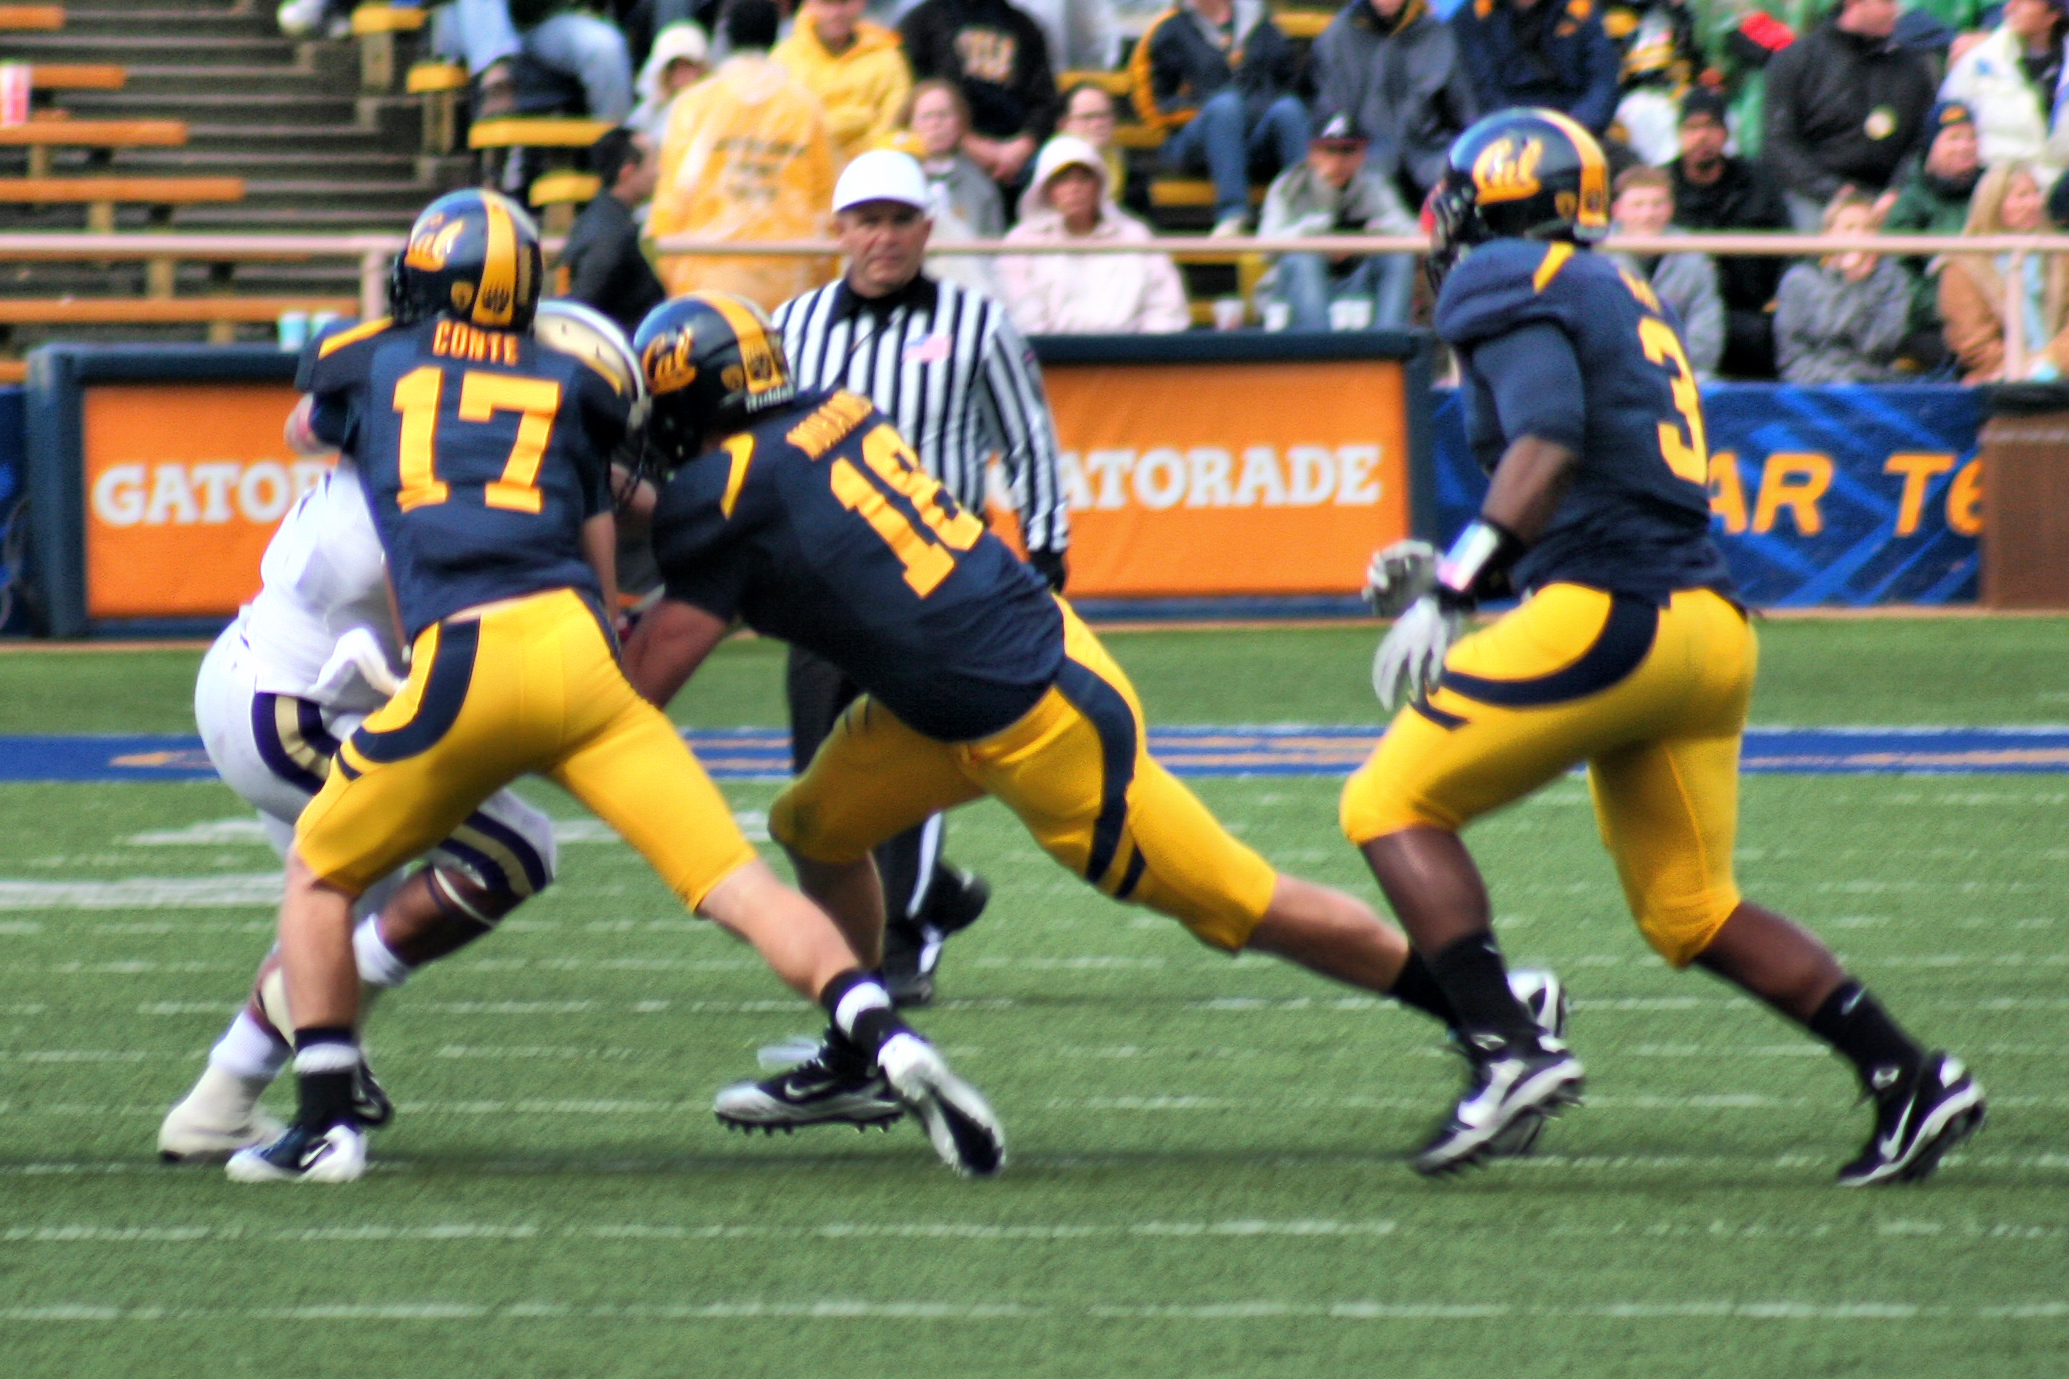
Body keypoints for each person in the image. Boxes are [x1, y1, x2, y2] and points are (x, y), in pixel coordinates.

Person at [618, 291, 1569, 1139]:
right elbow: (755, 523)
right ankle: (861, 1046)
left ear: (686, 407)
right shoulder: (834, 409)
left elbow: (643, 679)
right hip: (968, 689)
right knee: (814, 825)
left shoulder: (724, 495)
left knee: (1239, 902)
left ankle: (1490, 1011)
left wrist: (585, 517)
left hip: (1040, 724)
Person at [223, 190, 1001, 1184]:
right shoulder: (577, 376)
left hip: (466, 656)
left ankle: (326, 1121)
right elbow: (601, 560)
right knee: (737, 884)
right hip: (582, 659)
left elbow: (306, 425)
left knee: (321, 875)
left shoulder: (366, 353)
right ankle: (882, 1036)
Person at [1350, 108, 1983, 1182]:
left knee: (1384, 802)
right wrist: (1467, 566)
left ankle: (1505, 1048)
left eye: (1457, 192)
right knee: (1688, 910)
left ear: (1495, 197)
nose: (1444, 216)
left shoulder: (1500, 272)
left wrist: (1459, 579)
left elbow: (1546, 434)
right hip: (1700, 631)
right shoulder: (1614, 287)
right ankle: (1906, 1076)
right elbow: (1600, 480)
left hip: (1611, 615)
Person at [157, 309, 630, 1160]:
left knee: (343, 900)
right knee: (514, 850)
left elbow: (309, 419)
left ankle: (217, 1106)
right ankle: (325, 1032)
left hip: (266, 677)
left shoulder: (416, 421)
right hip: (297, 710)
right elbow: (454, 653)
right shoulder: (454, 507)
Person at [771, 149, 1070, 1002]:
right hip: (823, 587)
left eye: (900, 220)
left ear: (927, 229)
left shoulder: (977, 324)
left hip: (934, 585)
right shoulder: (792, 326)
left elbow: (1029, 442)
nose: (883, 237)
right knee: (819, 781)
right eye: (866, 220)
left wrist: (1045, 554)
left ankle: (902, 937)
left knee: (906, 758)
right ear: (838, 229)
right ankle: (928, 893)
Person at [648, 0, 837, 310]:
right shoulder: (806, 107)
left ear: (726, 36)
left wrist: (668, 270)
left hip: (705, 280)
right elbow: (825, 205)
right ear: (776, 35)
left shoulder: (692, 104)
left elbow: (671, 200)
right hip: (789, 280)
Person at [1130, 0, 1307, 237]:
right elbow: (1152, 103)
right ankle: (1232, 214)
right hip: (1192, 140)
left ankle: (1306, 212)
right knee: (1226, 107)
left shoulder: (1259, 23)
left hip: (1253, 135)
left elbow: (1288, 82)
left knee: (1289, 109)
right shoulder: (1168, 28)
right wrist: (1207, 111)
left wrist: (1257, 106)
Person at [1761, 0, 1937, 231]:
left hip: (1888, 197)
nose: (1894, 11)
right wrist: (1834, 191)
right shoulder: (1796, 60)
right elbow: (1779, 143)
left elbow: (1921, 141)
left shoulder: (1911, 67)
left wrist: (1897, 189)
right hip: (1814, 195)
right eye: (1885, 3)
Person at [998, 135, 1190, 334]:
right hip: (1051, 358)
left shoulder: (1135, 235)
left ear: (1098, 185)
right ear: (1046, 188)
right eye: (1063, 179)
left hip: (1131, 357)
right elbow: (1021, 315)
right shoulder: (1020, 243)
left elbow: (1166, 307)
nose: (1074, 188)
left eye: (1084, 178)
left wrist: (1144, 353)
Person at [1255, 110, 1419, 331]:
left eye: (1347, 151)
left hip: (1358, 283)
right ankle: (1320, 355)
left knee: (1399, 258)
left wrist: (1368, 235)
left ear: (1361, 154)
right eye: (1329, 151)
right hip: (1294, 293)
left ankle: (1388, 349)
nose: (1338, 161)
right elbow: (1266, 247)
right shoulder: (1288, 187)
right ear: (1312, 154)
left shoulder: (1374, 185)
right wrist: (1316, 235)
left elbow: (1412, 233)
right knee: (1303, 260)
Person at [1667, 86, 1790, 379]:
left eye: (1711, 126)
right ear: (1679, 134)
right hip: (1682, 312)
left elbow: (1789, 245)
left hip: (1750, 310)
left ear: (1725, 133)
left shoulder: (1759, 181)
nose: (1702, 136)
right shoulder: (1663, 188)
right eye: (1692, 128)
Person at [1309, 0, 1479, 208]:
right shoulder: (1337, 38)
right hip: (1365, 155)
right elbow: (1330, 117)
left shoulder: (1435, 35)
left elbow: (1463, 111)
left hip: (1429, 152)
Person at [900, 0, 1059, 191]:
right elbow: (912, 95)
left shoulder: (1024, 25)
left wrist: (1022, 146)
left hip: (1018, 155)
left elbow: (1044, 100)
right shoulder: (921, 22)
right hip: (950, 150)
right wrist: (967, 142)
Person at [1939, 160, 2069, 381]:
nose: (2034, 203)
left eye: (2036, 193)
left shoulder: (2061, 255)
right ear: (1994, 203)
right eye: (2021, 196)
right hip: (1995, 382)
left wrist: (2050, 364)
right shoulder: (1962, 267)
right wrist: (2020, 370)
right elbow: (1974, 340)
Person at [1883, 99, 1983, 370]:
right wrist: (1953, 305)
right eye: (1953, 138)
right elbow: (1898, 279)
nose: (1965, 146)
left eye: (1971, 137)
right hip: (1933, 324)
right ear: (1931, 146)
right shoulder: (1909, 205)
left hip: (1997, 315)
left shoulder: (1993, 190)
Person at [1773, 192, 1910, 382]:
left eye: (1868, 228)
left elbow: (1877, 347)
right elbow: (1793, 355)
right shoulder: (1798, 280)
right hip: (1812, 382)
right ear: (1826, 234)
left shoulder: (1892, 278)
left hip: (1873, 380)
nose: (1859, 236)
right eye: (1849, 228)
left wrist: (1857, 285)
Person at [429, 0, 637, 121]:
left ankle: (620, 153)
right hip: (468, 22)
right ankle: (496, 75)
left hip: (541, 21)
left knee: (604, 47)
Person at [1606, 165, 1724, 378]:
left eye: (1657, 204)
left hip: (1682, 373)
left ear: (1670, 208)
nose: (1648, 214)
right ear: (1617, 210)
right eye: (1637, 205)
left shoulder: (1694, 257)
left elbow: (1706, 340)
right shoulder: (1596, 259)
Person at [773, 0, 914, 168]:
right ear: (809, 5)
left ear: (860, 3)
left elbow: (894, 122)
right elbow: (785, 130)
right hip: (804, 171)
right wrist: (857, 120)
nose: (837, 12)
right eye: (827, 4)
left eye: (844, 3)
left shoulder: (888, 58)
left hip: (870, 171)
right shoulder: (784, 60)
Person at [1450, 0, 1620, 137]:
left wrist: (1577, 126)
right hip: (1506, 133)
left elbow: (1603, 81)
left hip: (1578, 127)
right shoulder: (1474, 15)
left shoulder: (1581, 8)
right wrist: (1519, 131)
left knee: (1632, 175)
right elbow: (1481, 90)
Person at [559, 127, 668, 335]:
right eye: (653, 164)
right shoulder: (611, 235)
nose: (658, 172)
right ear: (626, 172)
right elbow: (581, 306)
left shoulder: (597, 219)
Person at [1936, 0, 2069, 169]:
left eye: (2024, 2)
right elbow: (1946, 126)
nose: (2010, 7)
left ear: (2052, 14)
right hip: (1997, 186)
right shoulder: (1979, 62)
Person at [905, 78, 1009, 239]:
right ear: (910, 123)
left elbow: (992, 244)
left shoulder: (980, 185)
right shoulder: (899, 178)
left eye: (944, 115)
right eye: (926, 116)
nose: (935, 124)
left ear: (960, 121)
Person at [1056, 80, 1140, 212]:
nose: (1098, 124)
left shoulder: (1131, 172)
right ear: (1064, 123)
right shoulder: (1048, 172)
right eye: (1087, 117)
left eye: (1104, 115)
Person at [627, 20, 709, 140]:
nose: (681, 72)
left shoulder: (714, 106)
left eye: (688, 64)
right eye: (673, 66)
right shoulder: (650, 108)